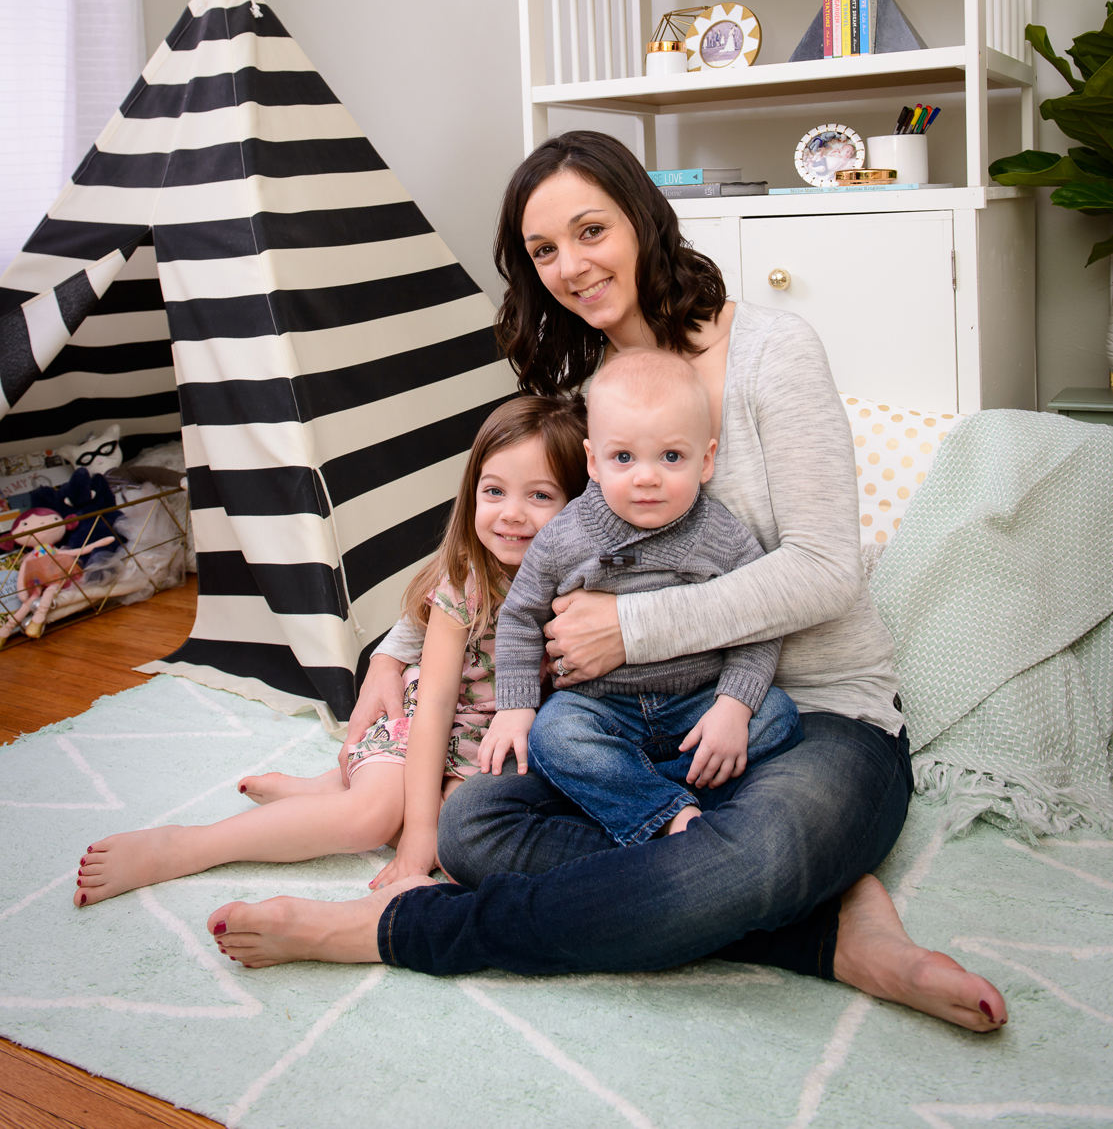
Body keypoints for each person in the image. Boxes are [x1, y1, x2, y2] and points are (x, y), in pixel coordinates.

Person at [205, 131, 1007, 1036]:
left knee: (753, 854)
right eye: (543, 250)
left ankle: (400, 927)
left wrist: (631, 629)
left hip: (813, 712)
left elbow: (824, 568)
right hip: (637, 724)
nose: (570, 266)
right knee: (473, 828)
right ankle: (826, 927)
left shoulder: (770, 351)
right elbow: (513, 534)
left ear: (641, 218)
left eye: (590, 230)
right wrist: (399, 644)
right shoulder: (590, 397)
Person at [74, 396, 587, 908]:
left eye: (540, 495)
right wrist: (415, 840)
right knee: (376, 818)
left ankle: (324, 788)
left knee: (468, 845)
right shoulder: (466, 584)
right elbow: (433, 708)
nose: (512, 515)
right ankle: (186, 847)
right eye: (494, 491)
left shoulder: (586, 586)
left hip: (491, 750)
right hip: (431, 730)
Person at [481, 349, 800, 844]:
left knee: (777, 715)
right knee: (552, 736)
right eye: (623, 457)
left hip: (698, 705)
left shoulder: (723, 535)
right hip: (601, 709)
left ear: (706, 460)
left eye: (671, 457)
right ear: (593, 460)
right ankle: (674, 812)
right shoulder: (565, 537)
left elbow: (759, 623)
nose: (646, 477)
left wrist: (733, 708)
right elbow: (521, 618)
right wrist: (515, 706)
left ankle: (639, 801)